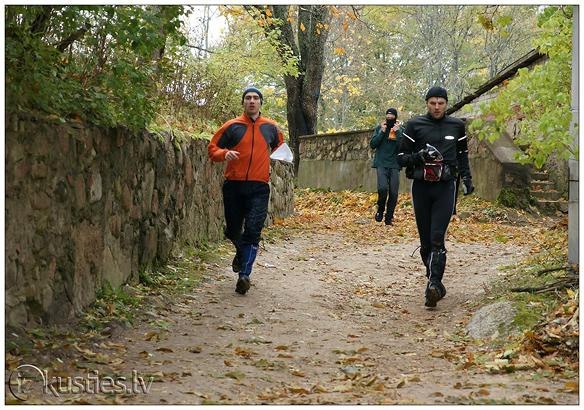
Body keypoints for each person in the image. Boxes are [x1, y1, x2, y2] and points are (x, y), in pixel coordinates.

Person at [397, 86, 474, 308]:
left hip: (446, 187)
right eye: (433, 103)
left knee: (437, 238)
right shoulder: (414, 125)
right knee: (425, 244)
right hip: (421, 188)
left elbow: (463, 156)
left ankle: (434, 284)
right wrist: (419, 156)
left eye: (441, 103)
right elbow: (400, 158)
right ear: (427, 104)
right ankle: (434, 280)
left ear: (446, 103)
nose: (437, 107)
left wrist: (467, 180)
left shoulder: (457, 126)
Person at [208, 87, 284, 295]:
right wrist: (224, 153)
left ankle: (244, 275)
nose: (252, 101)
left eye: (256, 98)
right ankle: (241, 255)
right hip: (233, 186)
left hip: (259, 187)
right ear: (243, 102)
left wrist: (282, 157)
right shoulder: (231, 126)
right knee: (233, 230)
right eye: (248, 98)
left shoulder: (270, 127)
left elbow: (282, 149)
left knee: (253, 230)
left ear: (261, 103)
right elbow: (212, 150)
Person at [370, 108, 403, 225]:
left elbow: (402, 147)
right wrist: (382, 132)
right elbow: (373, 144)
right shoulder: (380, 128)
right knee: (383, 189)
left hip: (394, 164)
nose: (389, 119)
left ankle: (389, 218)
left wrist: (398, 132)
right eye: (387, 116)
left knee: (394, 193)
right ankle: (380, 210)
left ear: (395, 117)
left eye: (392, 117)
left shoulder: (400, 130)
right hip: (381, 163)